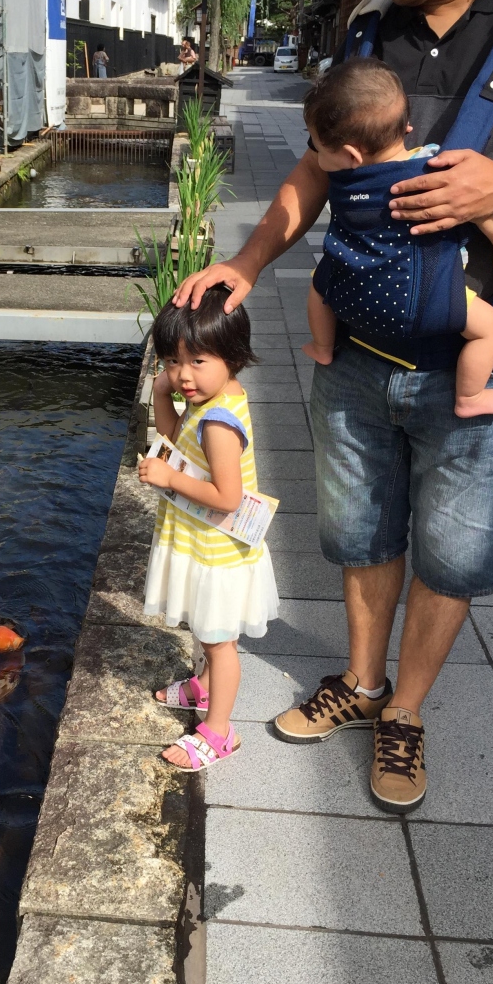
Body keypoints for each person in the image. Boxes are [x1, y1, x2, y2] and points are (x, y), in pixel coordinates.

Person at [173, 0, 493, 814]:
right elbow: (314, 168)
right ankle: (359, 683)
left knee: (450, 546)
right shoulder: (364, 28)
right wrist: (247, 258)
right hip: (355, 346)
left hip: (477, 348)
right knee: (358, 531)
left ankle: (410, 707)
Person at [302, 57, 493, 418]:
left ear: (349, 156)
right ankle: (469, 397)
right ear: (407, 128)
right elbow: (486, 212)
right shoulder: (434, 171)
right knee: (489, 328)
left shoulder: (343, 183)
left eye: (316, 146)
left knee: (317, 284)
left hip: (350, 301)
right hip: (424, 302)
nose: (315, 156)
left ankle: (323, 345)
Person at [138, 287, 279, 771]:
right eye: (173, 363)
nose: (183, 376)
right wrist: (162, 395)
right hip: (203, 542)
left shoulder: (219, 420)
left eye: (197, 361)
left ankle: (219, 732)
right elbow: (175, 438)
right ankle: (202, 688)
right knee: (204, 630)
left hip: (215, 550)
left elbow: (228, 496)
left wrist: (169, 478)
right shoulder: (217, 394)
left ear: (233, 354)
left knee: (220, 641)